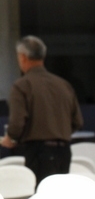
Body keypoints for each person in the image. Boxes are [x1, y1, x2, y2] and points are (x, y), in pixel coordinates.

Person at [0, 35, 83, 184]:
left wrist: (11, 138)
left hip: (38, 152)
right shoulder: (63, 85)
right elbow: (77, 121)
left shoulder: (22, 85)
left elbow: (17, 123)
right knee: (59, 193)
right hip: (64, 151)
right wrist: (58, 132)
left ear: (23, 57)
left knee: (40, 194)